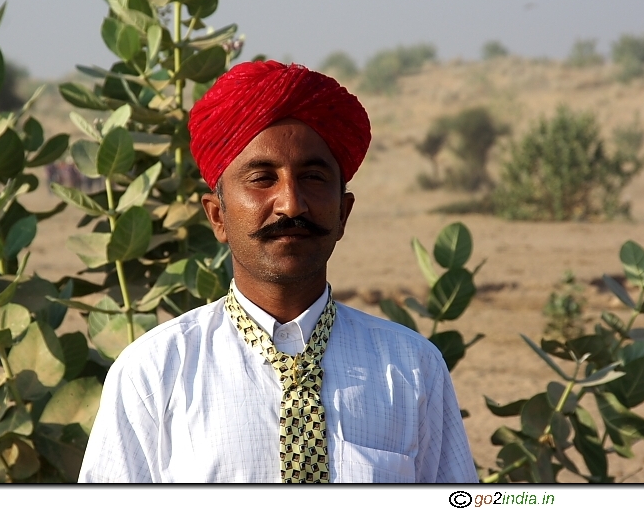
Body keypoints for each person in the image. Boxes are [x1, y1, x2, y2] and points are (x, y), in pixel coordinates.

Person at [78, 60, 477, 483]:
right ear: (218, 216)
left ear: (344, 213)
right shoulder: (155, 371)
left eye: (312, 177)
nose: (291, 203)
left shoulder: (412, 367)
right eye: (262, 178)